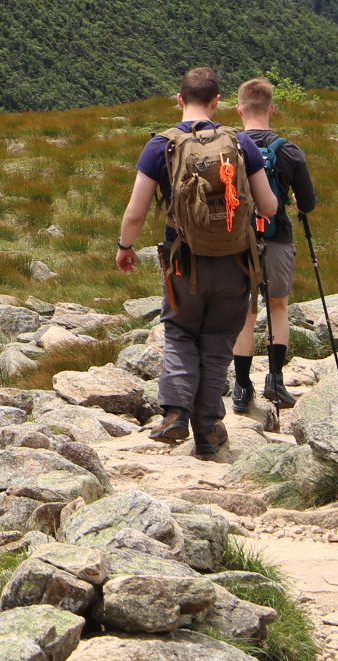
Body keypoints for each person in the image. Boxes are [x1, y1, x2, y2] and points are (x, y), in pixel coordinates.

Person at [115, 67, 278, 456]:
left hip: (182, 263)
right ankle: (208, 429)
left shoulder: (161, 146)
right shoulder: (240, 144)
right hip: (235, 263)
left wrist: (125, 247)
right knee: (217, 341)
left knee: (181, 332)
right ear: (217, 101)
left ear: (179, 99)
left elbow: (136, 212)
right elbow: (269, 206)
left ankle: (174, 414)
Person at [231, 77, 317, 412]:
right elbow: (308, 203)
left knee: (246, 312)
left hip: (238, 240)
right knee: (277, 307)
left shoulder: (229, 148)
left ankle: (241, 386)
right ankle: (276, 380)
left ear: (239, 109)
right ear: (272, 108)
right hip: (278, 237)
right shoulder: (289, 150)